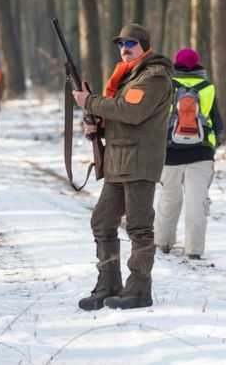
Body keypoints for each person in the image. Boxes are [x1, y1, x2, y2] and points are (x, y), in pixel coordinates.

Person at [72, 23, 173, 310]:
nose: (125, 49)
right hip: (118, 161)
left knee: (139, 228)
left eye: (130, 44)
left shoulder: (154, 77)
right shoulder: (129, 77)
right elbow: (121, 121)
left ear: (144, 46)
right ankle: (108, 284)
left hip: (140, 163)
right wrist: (98, 131)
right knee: (102, 222)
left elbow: (132, 112)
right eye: (120, 44)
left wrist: (90, 102)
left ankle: (139, 290)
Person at [154, 48, 223, 260]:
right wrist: (211, 147)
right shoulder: (207, 88)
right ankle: (194, 250)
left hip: (169, 154)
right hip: (201, 156)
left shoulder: (167, 85)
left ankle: (163, 243)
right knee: (197, 203)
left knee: (169, 200)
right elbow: (217, 125)